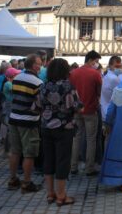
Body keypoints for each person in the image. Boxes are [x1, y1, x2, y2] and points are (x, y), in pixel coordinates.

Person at [34, 58, 82, 206]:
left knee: (48, 159)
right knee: (62, 160)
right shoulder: (68, 86)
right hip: (64, 128)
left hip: (46, 127)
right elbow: (78, 106)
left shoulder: (43, 86)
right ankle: (61, 196)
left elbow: (36, 106)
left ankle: (50, 194)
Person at [8, 54, 43, 193]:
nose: (41, 66)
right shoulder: (37, 82)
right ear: (34, 66)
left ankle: (13, 180)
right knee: (29, 153)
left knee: (15, 151)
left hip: (14, 118)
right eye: (40, 63)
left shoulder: (16, 78)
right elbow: (39, 104)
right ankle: (27, 183)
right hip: (28, 121)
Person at [69, 50, 102, 176]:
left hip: (76, 110)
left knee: (76, 138)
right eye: (96, 61)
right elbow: (99, 92)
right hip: (91, 110)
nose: (97, 64)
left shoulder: (73, 73)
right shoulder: (95, 74)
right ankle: (89, 168)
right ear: (91, 60)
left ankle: (73, 167)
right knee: (91, 139)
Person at [1, 67, 22, 152]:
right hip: (9, 105)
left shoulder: (10, 83)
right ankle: (9, 147)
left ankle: (9, 146)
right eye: (17, 74)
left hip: (11, 105)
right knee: (10, 127)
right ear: (12, 76)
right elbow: (16, 90)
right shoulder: (8, 84)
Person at [100, 56, 122, 123]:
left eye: (120, 66)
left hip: (104, 110)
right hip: (111, 113)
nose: (119, 69)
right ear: (110, 66)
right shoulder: (114, 79)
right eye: (116, 66)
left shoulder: (106, 76)